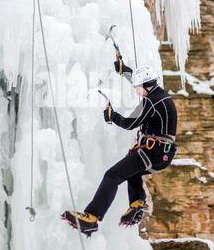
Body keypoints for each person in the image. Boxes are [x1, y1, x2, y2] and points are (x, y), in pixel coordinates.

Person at [62, 59, 177, 236]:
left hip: (152, 152)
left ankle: (91, 217)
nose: (136, 91)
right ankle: (137, 205)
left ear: (147, 86)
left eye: (138, 87)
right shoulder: (160, 96)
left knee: (112, 175)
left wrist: (112, 116)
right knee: (132, 171)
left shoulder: (151, 102)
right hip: (160, 155)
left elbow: (129, 123)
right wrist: (125, 71)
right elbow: (139, 84)